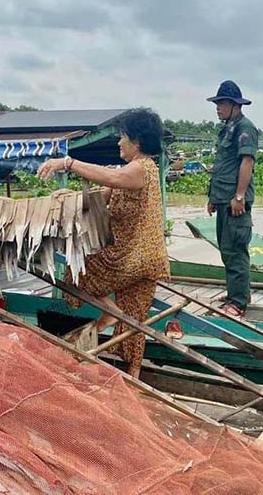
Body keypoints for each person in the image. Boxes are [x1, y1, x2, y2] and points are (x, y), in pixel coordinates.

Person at [37, 107, 169, 378]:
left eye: (123, 137)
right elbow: (100, 195)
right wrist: (69, 196)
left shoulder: (139, 169)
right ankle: (133, 378)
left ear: (137, 141)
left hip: (131, 257)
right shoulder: (139, 170)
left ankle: (109, 313)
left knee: (78, 270)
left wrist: (68, 163)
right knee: (134, 320)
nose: (119, 142)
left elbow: (112, 178)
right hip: (149, 259)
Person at [206, 80, 258, 317]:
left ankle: (238, 303)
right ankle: (237, 293)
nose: (218, 108)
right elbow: (223, 165)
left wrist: (239, 196)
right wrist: (213, 197)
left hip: (235, 201)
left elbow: (247, 162)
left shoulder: (245, 128)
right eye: (217, 104)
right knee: (227, 249)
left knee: (236, 250)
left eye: (222, 104)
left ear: (235, 105)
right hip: (223, 199)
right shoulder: (227, 127)